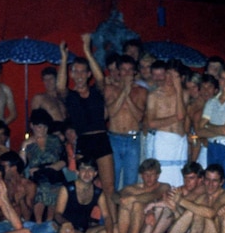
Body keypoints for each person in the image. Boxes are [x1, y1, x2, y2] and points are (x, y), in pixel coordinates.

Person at [57, 35, 116, 221]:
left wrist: (87, 50)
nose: (80, 75)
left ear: (88, 74)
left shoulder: (97, 91)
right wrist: (64, 60)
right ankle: (80, 222)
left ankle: (112, 224)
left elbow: (101, 79)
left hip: (101, 139)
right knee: (83, 185)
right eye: (76, 72)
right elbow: (60, 86)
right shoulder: (70, 96)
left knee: (109, 187)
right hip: (84, 141)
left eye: (84, 72)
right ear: (72, 74)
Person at [114, 158, 170, 233]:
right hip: (131, 226)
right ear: (141, 175)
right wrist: (122, 200)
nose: (149, 178)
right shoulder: (133, 188)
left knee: (137, 204)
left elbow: (153, 195)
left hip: (149, 228)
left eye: (152, 174)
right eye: (146, 174)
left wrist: (133, 198)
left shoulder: (164, 186)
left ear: (157, 175)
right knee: (126, 203)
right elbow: (114, 196)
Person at [104, 55, 146, 190]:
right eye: (124, 70)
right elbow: (111, 112)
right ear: (118, 71)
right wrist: (124, 91)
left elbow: (139, 116)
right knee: (112, 179)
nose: (127, 73)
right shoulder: (110, 89)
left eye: (130, 70)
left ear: (134, 72)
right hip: (113, 138)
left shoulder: (141, 91)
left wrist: (127, 93)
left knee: (130, 181)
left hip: (132, 139)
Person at [54, 158, 114, 233]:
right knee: (65, 231)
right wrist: (65, 222)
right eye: (83, 169)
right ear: (77, 172)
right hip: (69, 231)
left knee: (117, 228)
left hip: (86, 231)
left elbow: (107, 216)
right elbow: (57, 214)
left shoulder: (98, 192)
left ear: (95, 173)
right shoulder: (67, 188)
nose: (87, 173)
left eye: (90, 169)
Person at [197, 64, 225, 195]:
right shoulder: (211, 102)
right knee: (211, 186)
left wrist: (208, 126)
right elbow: (199, 130)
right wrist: (219, 128)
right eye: (222, 79)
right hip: (212, 147)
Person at [144, 61, 187, 188]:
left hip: (179, 141)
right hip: (163, 139)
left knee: (179, 178)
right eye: (168, 74)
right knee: (161, 177)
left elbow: (182, 115)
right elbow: (151, 122)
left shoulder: (184, 94)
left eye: (175, 76)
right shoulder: (154, 95)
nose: (170, 79)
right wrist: (176, 118)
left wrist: (178, 89)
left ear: (181, 78)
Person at [20, 108, 67, 223]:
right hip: (37, 178)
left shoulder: (55, 140)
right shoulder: (28, 143)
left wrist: (43, 169)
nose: (43, 130)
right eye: (40, 126)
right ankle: (38, 222)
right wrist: (24, 146)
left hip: (53, 174)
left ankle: (50, 222)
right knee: (39, 188)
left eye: (45, 127)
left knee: (54, 187)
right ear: (32, 126)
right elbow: (21, 164)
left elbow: (62, 160)